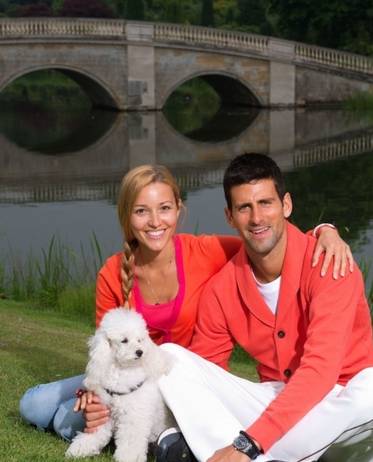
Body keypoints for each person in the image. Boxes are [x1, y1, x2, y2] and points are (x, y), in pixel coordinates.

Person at [19, 164, 354, 440]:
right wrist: (94, 392)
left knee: (65, 420)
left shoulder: (208, 252)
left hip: (179, 381)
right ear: (126, 217)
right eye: (141, 211)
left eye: (164, 209)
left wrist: (324, 231)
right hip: (127, 377)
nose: (155, 222)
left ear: (178, 211)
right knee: (33, 405)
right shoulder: (111, 273)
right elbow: (106, 353)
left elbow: (267, 238)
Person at [152, 153, 373, 462]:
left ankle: (239, 456)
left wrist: (247, 442)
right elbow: (207, 375)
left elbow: (320, 370)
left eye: (265, 203)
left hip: (346, 415)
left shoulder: (329, 263)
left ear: (286, 205)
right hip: (280, 402)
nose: (257, 218)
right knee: (171, 359)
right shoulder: (221, 290)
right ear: (229, 216)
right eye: (244, 208)